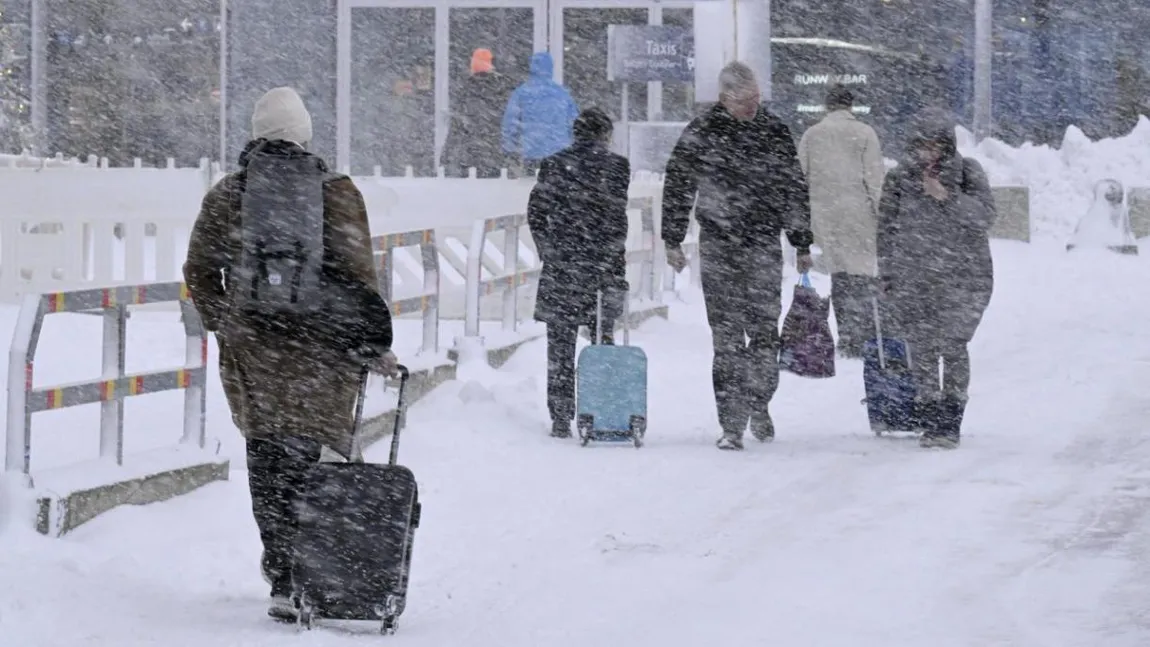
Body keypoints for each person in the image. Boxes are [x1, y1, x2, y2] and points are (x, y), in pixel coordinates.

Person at [183, 87, 399, 619]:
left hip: (256, 352)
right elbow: (357, 274)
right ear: (304, 134)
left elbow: (199, 272)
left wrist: (228, 325)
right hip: (323, 353)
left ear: (256, 134)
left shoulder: (228, 194)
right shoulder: (338, 191)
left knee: (268, 456)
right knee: (318, 458)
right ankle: (321, 571)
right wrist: (370, 343)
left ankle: (282, 574)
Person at [662, 61, 814, 451]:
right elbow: (678, 184)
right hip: (719, 244)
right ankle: (731, 423)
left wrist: (801, 241)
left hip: (763, 243)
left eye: (757, 98)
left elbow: (793, 188)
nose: (753, 106)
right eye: (745, 100)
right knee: (726, 339)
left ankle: (758, 402)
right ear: (725, 98)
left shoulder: (774, 130)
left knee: (765, 333)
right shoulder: (702, 132)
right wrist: (672, 239)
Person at [876, 109, 995, 449]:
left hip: (964, 276)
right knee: (923, 350)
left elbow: (985, 216)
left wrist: (949, 197)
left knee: (954, 346)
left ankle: (952, 419)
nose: (928, 154)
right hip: (915, 277)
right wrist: (886, 271)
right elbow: (886, 228)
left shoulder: (967, 173)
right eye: (922, 147)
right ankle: (932, 419)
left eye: (936, 147)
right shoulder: (900, 179)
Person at [526, 107, 630, 439]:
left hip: (562, 266)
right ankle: (599, 408)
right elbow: (616, 219)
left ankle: (560, 415)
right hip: (601, 265)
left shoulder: (554, 164)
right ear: (606, 135)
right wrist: (614, 262)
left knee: (560, 343)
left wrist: (548, 249)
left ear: (575, 133)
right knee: (601, 338)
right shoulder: (617, 167)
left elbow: (536, 212)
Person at [797, 84, 886, 358]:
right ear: (851, 106)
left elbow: (800, 178)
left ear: (827, 106)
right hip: (859, 215)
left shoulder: (812, 135)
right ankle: (864, 336)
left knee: (840, 276)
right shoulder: (865, 133)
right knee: (862, 274)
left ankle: (846, 336)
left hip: (826, 217)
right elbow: (875, 180)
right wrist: (883, 216)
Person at [442, 48, 517, 178]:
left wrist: (445, 157)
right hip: (494, 151)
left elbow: (456, 125)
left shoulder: (465, 89)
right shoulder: (501, 87)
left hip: (470, 152)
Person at [502, 52, 579, 175]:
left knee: (531, 187)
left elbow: (510, 122)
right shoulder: (562, 93)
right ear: (550, 68)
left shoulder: (521, 92)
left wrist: (509, 147)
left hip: (531, 151)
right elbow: (574, 123)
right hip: (559, 152)